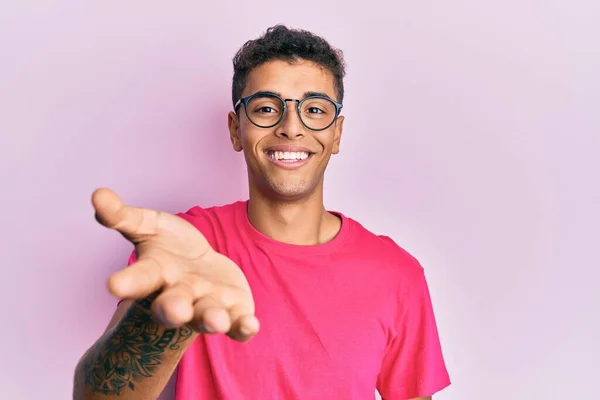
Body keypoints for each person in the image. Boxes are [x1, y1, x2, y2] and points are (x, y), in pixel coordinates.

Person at [73, 24, 451, 400]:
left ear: (336, 133)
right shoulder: (186, 248)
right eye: (267, 108)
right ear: (236, 129)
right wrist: (159, 322)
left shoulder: (396, 273)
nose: (291, 127)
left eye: (314, 109)